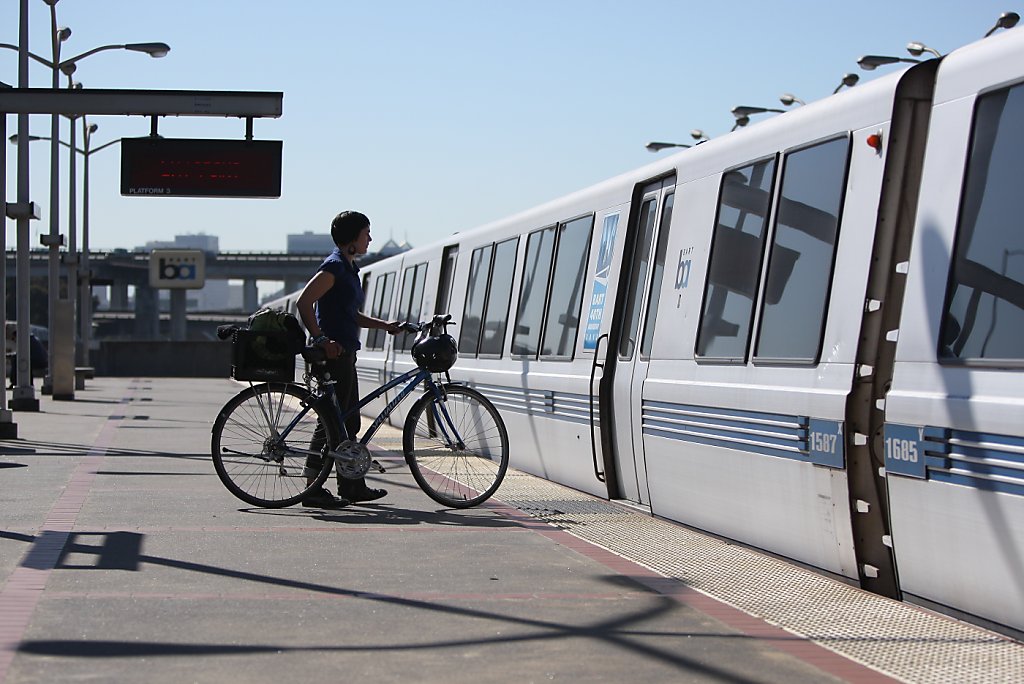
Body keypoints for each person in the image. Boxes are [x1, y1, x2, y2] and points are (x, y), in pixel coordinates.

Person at [296, 211, 401, 509]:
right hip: (333, 354)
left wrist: (385, 326)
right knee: (331, 420)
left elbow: (350, 315)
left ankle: (352, 486)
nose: (370, 238)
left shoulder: (348, 268)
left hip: (344, 352)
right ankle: (313, 490)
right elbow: (304, 303)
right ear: (352, 239)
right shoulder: (334, 266)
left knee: (347, 420)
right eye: (366, 232)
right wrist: (319, 339)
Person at [5, 323, 48, 389]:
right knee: (24, 361)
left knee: (17, 360)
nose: (14, 341)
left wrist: (6, 356)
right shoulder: (30, 338)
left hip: (38, 360)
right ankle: (29, 382)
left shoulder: (24, 340)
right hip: (42, 360)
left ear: (16, 336)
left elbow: (20, 354)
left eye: (13, 339)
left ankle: (14, 382)